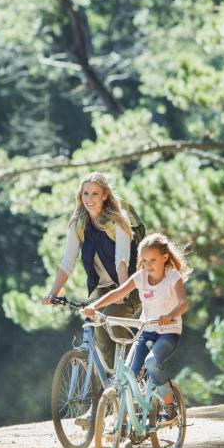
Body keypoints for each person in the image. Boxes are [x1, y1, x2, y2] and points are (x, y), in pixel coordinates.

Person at [84, 232, 191, 423]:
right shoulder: (141, 277)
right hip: (146, 331)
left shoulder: (172, 277)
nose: (148, 265)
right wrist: (94, 306)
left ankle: (169, 406)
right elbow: (118, 292)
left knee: (151, 363)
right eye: (144, 260)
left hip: (168, 332)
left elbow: (183, 303)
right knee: (128, 375)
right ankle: (125, 420)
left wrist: (170, 316)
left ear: (165, 258)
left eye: (153, 260)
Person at [41, 172, 141, 369]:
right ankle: (109, 391)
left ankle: (134, 372)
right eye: (85, 194)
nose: (90, 199)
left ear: (105, 195)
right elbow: (67, 263)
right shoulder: (78, 224)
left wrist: (123, 291)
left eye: (95, 194)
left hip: (129, 285)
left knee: (110, 321)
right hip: (104, 290)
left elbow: (122, 259)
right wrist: (53, 293)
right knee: (99, 334)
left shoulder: (118, 221)